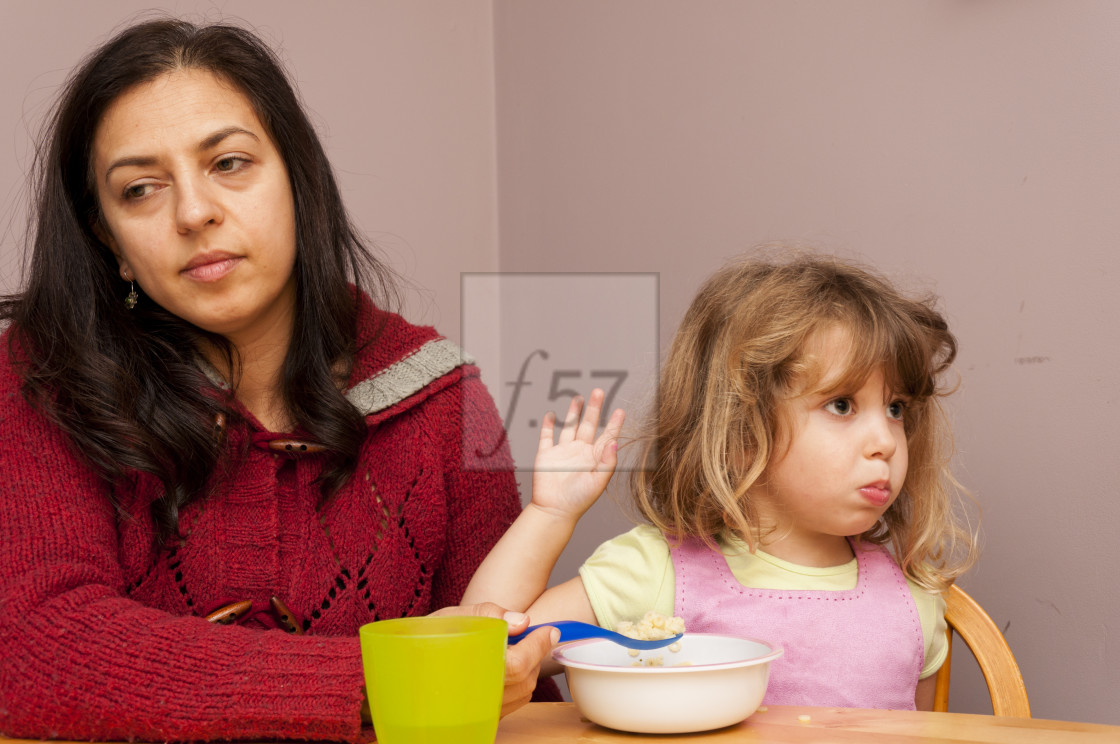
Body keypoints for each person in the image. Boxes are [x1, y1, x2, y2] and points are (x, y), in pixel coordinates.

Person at [0, 18, 562, 742]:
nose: (195, 212)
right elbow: (31, 643)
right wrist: (369, 682)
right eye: (140, 188)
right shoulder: (42, 378)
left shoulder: (442, 402)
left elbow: (512, 689)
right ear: (109, 239)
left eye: (229, 163)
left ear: (298, 177)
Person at [465, 253, 978, 711]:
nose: (886, 440)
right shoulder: (653, 574)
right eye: (841, 405)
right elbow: (481, 654)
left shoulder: (914, 601)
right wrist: (550, 515)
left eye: (895, 409)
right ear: (741, 432)